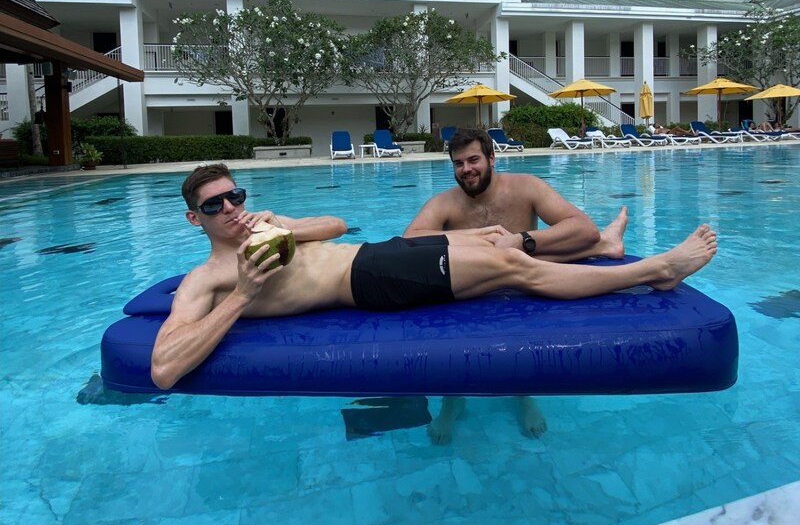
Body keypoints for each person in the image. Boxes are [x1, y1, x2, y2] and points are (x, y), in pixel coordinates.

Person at [150, 162, 718, 395]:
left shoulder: (265, 224)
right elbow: (165, 367)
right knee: (513, 267)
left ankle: (603, 245)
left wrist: (283, 227)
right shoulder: (208, 279)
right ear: (193, 218)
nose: (229, 208)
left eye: (234, 196)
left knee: (495, 238)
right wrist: (244, 294)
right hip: (370, 283)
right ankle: (658, 270)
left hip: (376, 254)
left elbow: (338, 224)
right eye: (214, 204)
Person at [404, 127, 628, 442]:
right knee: (449, 344)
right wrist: (472, 241)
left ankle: (523, 396)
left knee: (522, 282)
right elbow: (407, 242)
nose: (466, 169)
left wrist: (521, 240)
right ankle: (451, 402)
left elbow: (583, 228)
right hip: (469, 294)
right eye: (458, 163)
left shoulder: (526, 187)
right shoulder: (445, 203)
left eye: (473, 160)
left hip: (523, 287)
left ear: (492, 158)